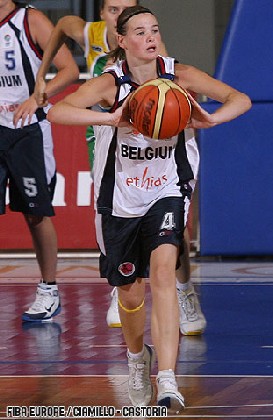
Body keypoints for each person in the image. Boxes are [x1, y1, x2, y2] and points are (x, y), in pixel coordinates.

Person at [47, 6, 251, 411]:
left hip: (167, 190)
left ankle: (169, 378)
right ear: (121, 41)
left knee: (163, 271)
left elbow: (239, 98)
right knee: (128, 290)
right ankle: (138, 357)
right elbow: (58, 110)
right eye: (139, 31)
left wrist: (210, 120)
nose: (150, 36)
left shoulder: (180, 76)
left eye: (154, 29)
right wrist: (110, 120)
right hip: (120, 198)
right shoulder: (111, 83)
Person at [35, 0, 207, 336]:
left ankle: (184, 289)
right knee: (112, 216)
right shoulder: (90, 34)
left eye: (126, 9)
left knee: (173, 225)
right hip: (103, 134)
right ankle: (122, 283)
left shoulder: (150, 47)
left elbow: (174, 85)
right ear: (104, 16)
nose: (120, 15)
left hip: (156, 138)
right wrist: (43, 75)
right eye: (113, 9)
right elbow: (62, 25)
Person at [0, 0, 79, 322]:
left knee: (36, 214)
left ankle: (48, 288)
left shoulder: (29, 19)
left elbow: (70, 70)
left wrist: (37, 96)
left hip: (26, 130)